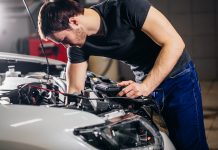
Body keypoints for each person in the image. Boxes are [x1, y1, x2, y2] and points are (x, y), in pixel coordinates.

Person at [38, 0, 209, 149]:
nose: (66, 47)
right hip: (145, 83)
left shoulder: (127, 6)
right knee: (161, 142)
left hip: (178, 78)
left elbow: (175, 43)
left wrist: (146, 86)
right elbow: (75, 89)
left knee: (189, 144)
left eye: (64, 40)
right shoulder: (77, 47)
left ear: (74, 21)